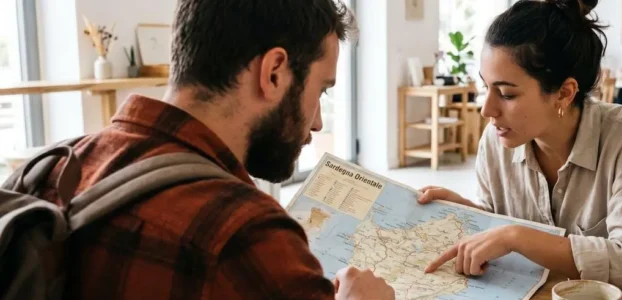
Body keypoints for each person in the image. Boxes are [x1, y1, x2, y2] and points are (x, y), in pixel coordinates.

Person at [32, 1, 393, 299]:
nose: (316, 123)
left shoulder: (48, 171)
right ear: (275, 72)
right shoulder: (248, 238)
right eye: (321, 91)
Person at [418, 0, 622, 296]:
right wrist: (470, 214)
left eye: (507, 93)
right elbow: (500, 225)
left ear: (564, 93)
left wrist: (518, 237)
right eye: (485, 88)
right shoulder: (495, 140)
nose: (487, 110)